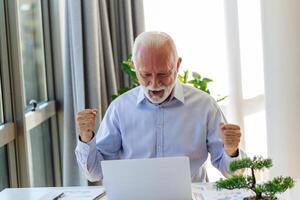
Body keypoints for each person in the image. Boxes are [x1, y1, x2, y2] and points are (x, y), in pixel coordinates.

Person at [75, 31, 246, 182]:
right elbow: (95, 174)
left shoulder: (204, 106)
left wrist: (231, 152)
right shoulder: (120, 109)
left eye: (163, 74)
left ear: (177, 65)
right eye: (146, 74)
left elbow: (233, 175)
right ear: (134, 67)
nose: (155, 84)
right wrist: (86, 137)